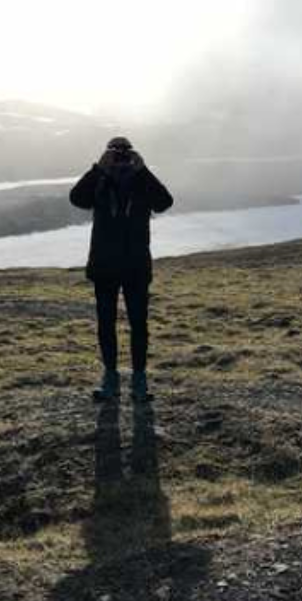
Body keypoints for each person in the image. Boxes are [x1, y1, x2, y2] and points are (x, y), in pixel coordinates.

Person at [68, 136, 174, 402]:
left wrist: (143, 169)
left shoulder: (141, 180)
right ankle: (111, 379)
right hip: (106, 266)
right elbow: (76, 198)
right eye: (115, 153)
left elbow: (164, 202)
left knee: (139, 324)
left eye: (125, 153)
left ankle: (139, 382)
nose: (120, 158)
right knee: (106, 323)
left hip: (135, 266)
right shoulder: (100, 179)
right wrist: (97, 168)